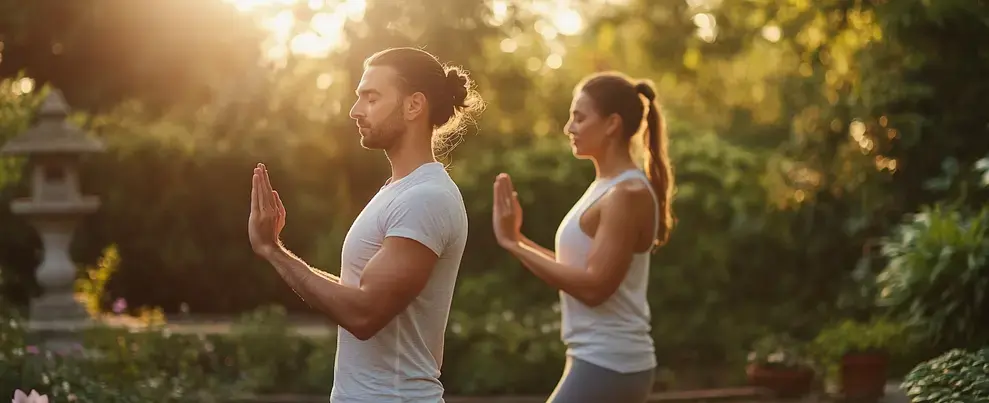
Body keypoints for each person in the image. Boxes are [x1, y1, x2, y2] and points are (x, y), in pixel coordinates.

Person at [248, 47, 484, 402]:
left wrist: (273, 252)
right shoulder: (399, 190)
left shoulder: (426, 198)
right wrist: (278, 248)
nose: (355, 111)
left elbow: (365, 314)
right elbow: (355, 291)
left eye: (371, 98)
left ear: (413, 106)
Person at [491, 71, 674, 403]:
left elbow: (594, 287)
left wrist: (512, 243)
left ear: (611, 124)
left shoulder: (626, 193)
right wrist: (516, 237)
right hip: (598, 361)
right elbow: (575, 269)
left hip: (611, 363)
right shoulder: (606, 186)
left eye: (579, 117)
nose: (568, 127)